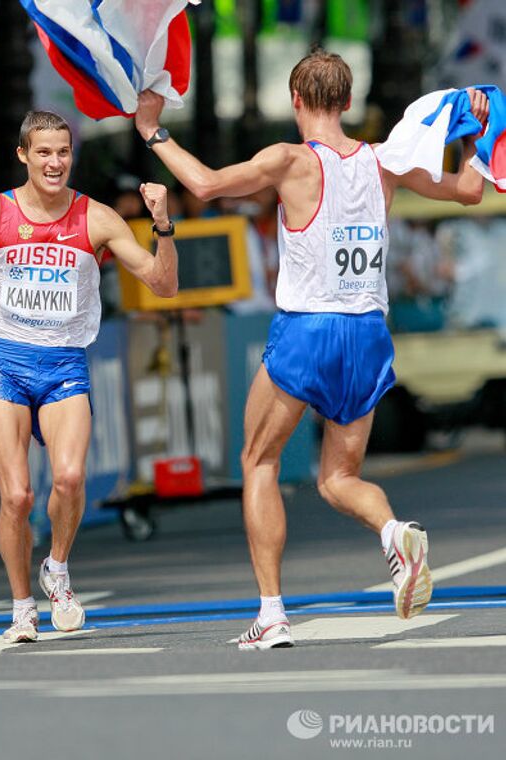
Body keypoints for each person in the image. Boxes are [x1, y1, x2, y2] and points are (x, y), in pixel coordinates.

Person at [134, 49, 487, 650]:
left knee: (259, 462)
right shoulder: (385, 161)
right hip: (369, 333)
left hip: (309, 328)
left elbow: (205, 184)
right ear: (347, 103)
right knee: (339, 477)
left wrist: (152, 130)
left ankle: (271, 614)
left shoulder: (289, 159)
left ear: (296, 101)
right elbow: (471, 192)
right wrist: (473, 134)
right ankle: (393, 531)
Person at [0, 110, 178, 643]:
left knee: (69, 479)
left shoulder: (97, 218)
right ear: (24, 155)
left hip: (64, 363)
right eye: (44, 152)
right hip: (6, 363)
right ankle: (21, 607)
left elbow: (163, 285)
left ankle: (57, 568)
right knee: (16, 497)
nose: (55, 162)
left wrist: (161, 226)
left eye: (62, 151)